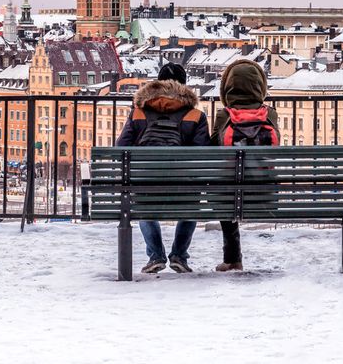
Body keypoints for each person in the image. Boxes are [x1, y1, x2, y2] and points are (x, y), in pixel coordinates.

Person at [117, 62, 210, 274]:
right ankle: (179, 255)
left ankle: (155, 255)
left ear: (157, 84)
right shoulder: (195, 116)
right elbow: (202, 154)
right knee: (192, 204)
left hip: (146, 187)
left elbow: (121, 148)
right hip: (183, 189)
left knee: (138, 200)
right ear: (185, 87)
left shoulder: (139, 113)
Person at [211, 59, 280, 272]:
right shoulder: (270, 114)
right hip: (265, 190)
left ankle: (232, 258)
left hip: (229, 192)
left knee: (224, 194)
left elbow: (214, 148)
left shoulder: (224, 115)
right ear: (260, 86)